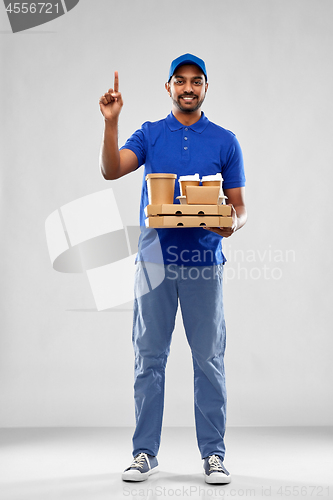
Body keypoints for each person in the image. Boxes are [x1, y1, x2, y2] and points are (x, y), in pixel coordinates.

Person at [99, 54, 247, 484]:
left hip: (204, 265)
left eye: (195, 81)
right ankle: (144, 453)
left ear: (205, 88)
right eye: (179, 81)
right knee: (149, 359)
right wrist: (111, 122)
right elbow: (111, 170)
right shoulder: (150, 135)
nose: (188, 88)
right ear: (168, 87)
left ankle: (214, 455)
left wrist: (229, 223)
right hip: (154, 265)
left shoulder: (225, 141)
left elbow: (240, 209)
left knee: (209, 360)